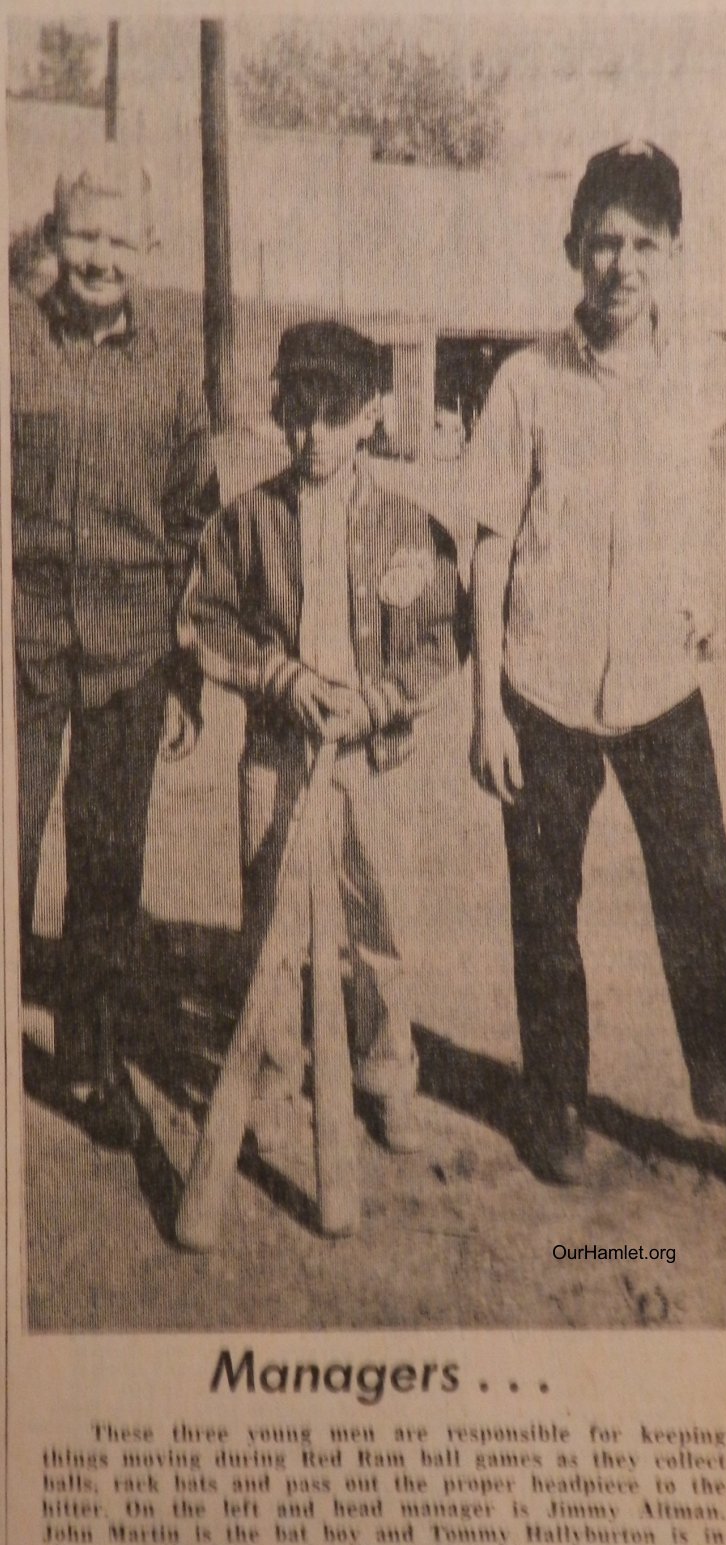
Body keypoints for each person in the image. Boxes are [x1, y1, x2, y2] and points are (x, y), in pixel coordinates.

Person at [467, 141, 726, 1188]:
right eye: (602, 243)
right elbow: (489, 543)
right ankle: (555, 1105)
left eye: (642, 243)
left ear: (672, 252)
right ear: (571, 250)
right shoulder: (525, 381)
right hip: (540, 688)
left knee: (705, 895)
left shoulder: (713, 376)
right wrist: (487, 707)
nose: (620, 264)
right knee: (544, 905)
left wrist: (720, 605)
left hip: (659, 690)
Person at [183, 319, 463, 1153]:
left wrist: (379, 701)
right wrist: (284, 679)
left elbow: (443, 635)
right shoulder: (248, 518)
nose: (314, 436)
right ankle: (270, 1072)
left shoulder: (411, 526)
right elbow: (208, 617)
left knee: (377, 920)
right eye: (297, 415)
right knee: (271, 919)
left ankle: (384, 1069)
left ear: (373, 415)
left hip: (370, 756)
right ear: (278, 413)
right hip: (279, 747)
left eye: (335, 416)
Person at [11, 153, 211, 1149]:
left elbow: (193, 526)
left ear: (148, 251)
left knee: (107, 863)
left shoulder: (175, 368)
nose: (98, 257)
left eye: (119, 239)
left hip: (132, 651)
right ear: (52, 239)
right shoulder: (12, 342)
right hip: (20, 643)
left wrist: (185, 670)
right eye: (82, 234)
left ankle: (89, 1060)